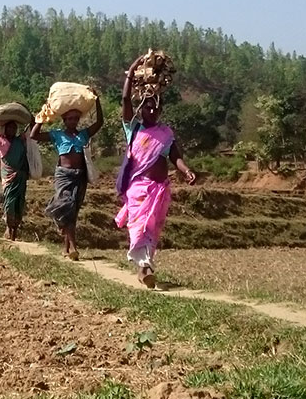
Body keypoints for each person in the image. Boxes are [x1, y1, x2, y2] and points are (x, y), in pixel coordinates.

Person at [115, 54, 196, 288]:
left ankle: (145, 267)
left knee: (152, 230)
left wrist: (186, 170)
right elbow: (125, 99)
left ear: (160, 111)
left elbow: (175, 157)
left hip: (160, 190)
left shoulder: (166, 133)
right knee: (139, 228)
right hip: (139, 190)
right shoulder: (134, 129)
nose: (151, 111)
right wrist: (132, 70)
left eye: (155, 108)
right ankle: (144, 268)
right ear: (141, 109)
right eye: (147, 107)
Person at [29, 97, 104, 260]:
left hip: (80, 176)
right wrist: (42, 117)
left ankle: (66, 247)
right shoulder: (57, 135)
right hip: (64, 175)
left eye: (76, 118)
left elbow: (99, 123)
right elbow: (34, 135)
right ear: (64, 120)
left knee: (73, 211)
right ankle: (74, 247)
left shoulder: (83, 134)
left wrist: (97, 102)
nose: (73, 121)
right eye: (70, 119)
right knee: (66, 205)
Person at [0, 117, 30, 241]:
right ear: (5, 128)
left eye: (14, 128)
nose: (12, 130)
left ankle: (14, 231)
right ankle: (9, 228)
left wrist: (34, 120)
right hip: (8, 177)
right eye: (9, 127)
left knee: (19, 203)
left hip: (20, 176)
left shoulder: (19, 141)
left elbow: (31, 131)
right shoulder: (0, 139)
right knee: (9, 202)